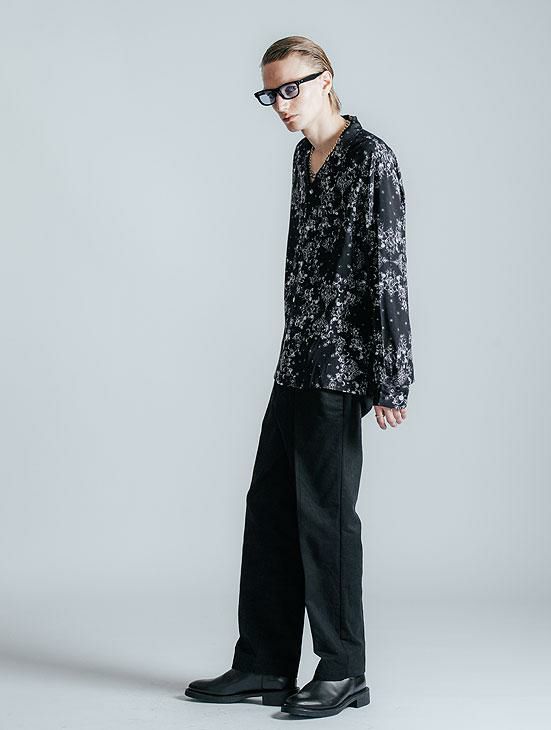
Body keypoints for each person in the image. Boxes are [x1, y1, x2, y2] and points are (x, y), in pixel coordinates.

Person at [184, 35, 414, 719]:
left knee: (326, 520)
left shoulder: (371, 158)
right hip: (296, 361)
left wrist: (391, 376)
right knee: (270, 511)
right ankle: (263, 662)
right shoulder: (301, 159)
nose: (282, 104)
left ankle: (344, 670)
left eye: (292, 88)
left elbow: (388, 267)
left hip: (340, 367)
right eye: (271, 94)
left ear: (326, 79)